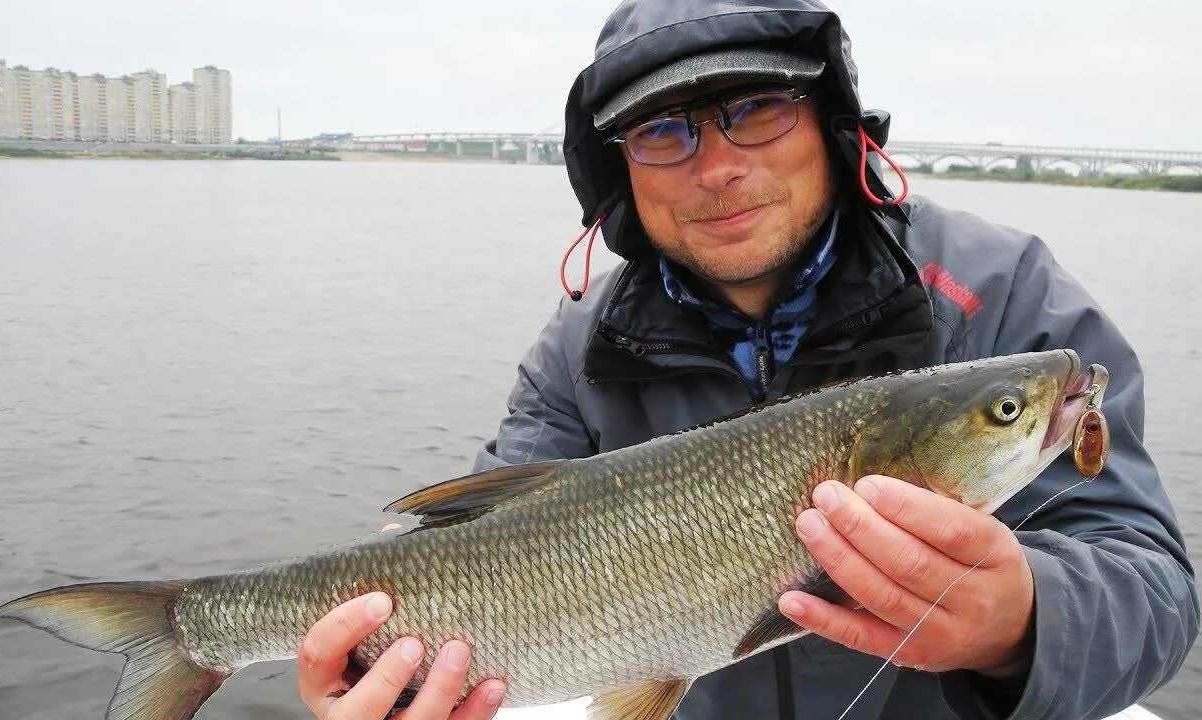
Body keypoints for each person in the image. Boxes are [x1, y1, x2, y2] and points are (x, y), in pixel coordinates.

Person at [298, 1, 1199, 718]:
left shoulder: (1006, 295)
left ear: (830, 124)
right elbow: (479, 556)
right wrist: (366, 677)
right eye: (662, 132)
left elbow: (1153, 587)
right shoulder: (577, 348)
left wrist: (1021, 620)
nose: (716, 166)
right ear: (620, 172)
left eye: (755, 110)